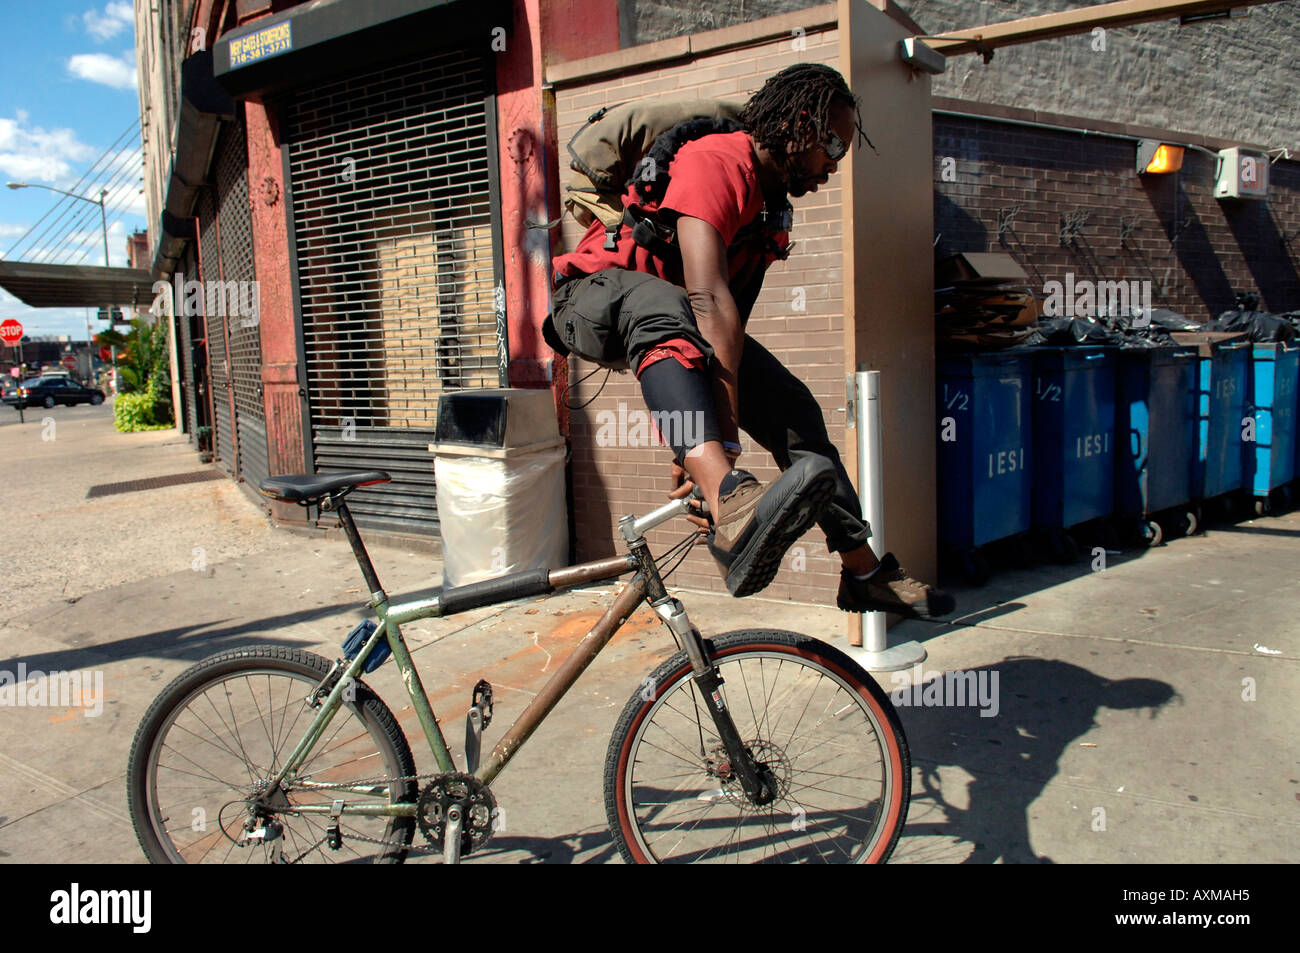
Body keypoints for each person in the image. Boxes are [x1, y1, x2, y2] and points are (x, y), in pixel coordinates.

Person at [545, 63, 954, 619]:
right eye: (831, 143)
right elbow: (707, 302)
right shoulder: (717, 162)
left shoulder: (771, 211)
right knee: (669, 308)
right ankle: (728, 500)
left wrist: (698, 439)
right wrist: (724, 455)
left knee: (793, 411)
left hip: (671, 326)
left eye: (844, 151)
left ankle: (864, 572)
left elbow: (726, 329)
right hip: (589, 296)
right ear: (797, 125)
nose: (833, 165)